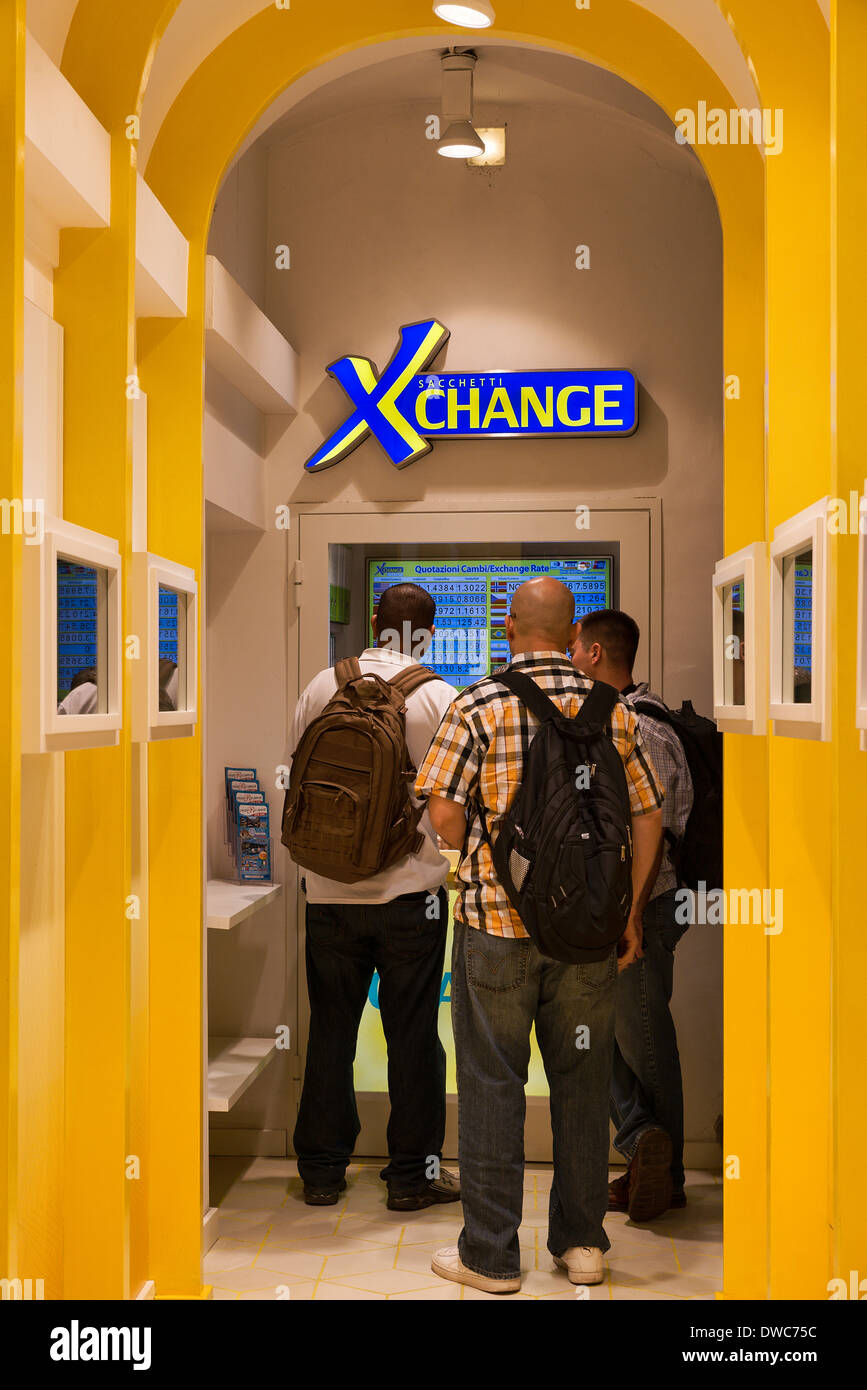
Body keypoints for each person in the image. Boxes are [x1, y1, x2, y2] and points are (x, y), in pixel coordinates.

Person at [416, 578, 664, 1293]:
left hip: (497, 929)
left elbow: (444, 818)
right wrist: (628, 914)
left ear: (509, 625)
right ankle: (582, 1244)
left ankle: (491, 1258)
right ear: (570, 632)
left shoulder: (479, 704)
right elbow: (647, 815)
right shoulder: (611, 709)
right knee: (583, 1084)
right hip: (588, 934)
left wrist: (475, 856)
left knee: (492, 1084)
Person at [289, 582, 461, 1212]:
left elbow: (300, 776)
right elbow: (450, 802)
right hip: (411, 894)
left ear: (372, 623)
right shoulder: (439, 697)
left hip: (328, 890)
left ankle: (322, 1173)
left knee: (330, 1031)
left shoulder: (320, 685)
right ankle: (412, 1177)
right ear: (430, 631)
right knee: (413, 1034)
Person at [570, 608, 694, 1220]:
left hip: (640, 908)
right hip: (625, 908)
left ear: (594, 654)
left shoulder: (639, 729)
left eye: (574, 649)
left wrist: (634, 918)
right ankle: (643, 1146)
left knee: (645, 1043)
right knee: (611, 1039)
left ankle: (662, 1175)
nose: (569, 659)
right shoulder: (637, 721)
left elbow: (652, 832)